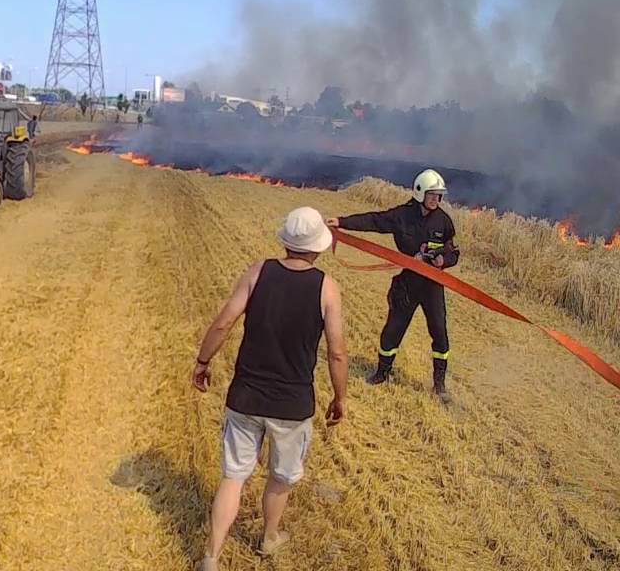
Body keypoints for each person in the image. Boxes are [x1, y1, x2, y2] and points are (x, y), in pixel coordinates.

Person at [191, 207, 348, 570]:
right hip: (292, 405)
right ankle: (269, 537)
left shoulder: (258, 272)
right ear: (318, 248)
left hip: (245, 395)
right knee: (280, 477)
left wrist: (202, 361)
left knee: (233, 477)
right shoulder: (326, 287)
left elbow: (225, 321)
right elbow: (337, 353)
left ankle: (211, 557)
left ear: (286, 241)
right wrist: (340, 398)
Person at [326, 169, 459, 396]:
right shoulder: (401, 216)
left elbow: (454, 252)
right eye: (432, 194)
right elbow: (373, 221)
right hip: (407, 284)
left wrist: (443, 260)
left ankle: (439, 384)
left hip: (432, 286)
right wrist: (341, 222)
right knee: (393, 330)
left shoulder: (444, 221)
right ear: (419, 193)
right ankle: (382, 373)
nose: (436, 199)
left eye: (439, 195)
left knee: (439, 332)